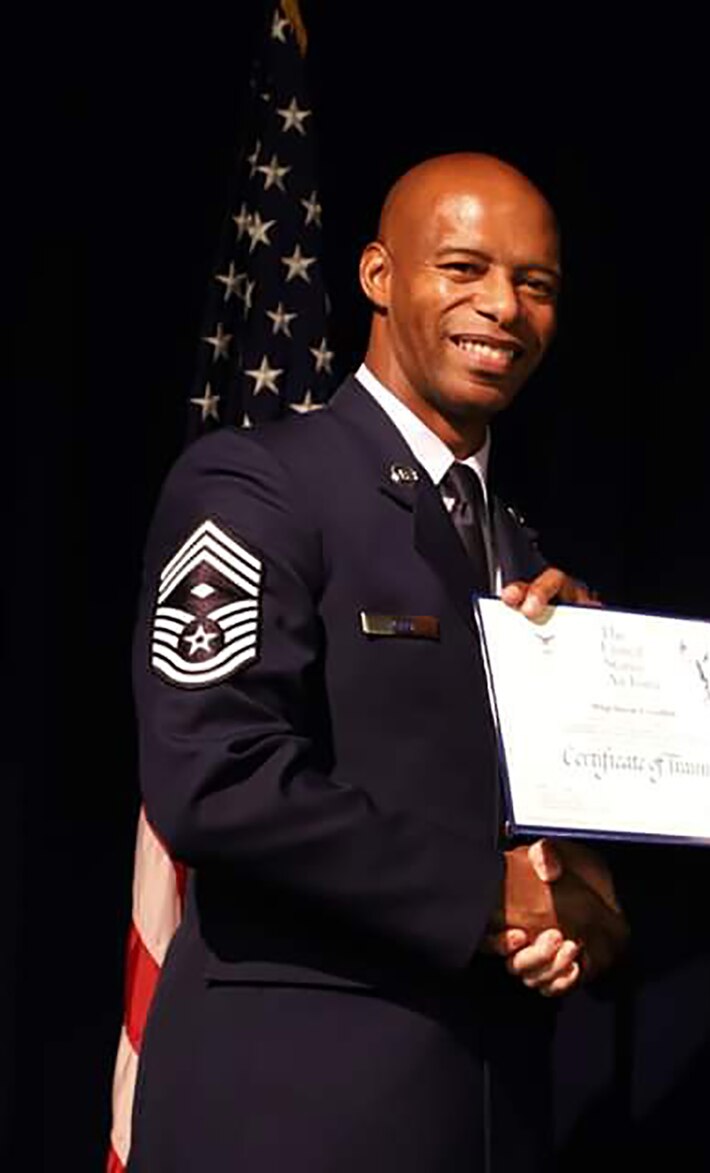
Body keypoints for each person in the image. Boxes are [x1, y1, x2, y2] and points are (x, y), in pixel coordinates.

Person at [130, 152, 626, 1173]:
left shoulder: (524, 552)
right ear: (376, 275)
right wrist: (485, 896)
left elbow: (529, 833)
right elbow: (215, 778)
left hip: (492, 1112)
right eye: (463, 268)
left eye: (535, 285)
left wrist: (583, 898)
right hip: (291, 1110)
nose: (503, 307)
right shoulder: (258, 483)